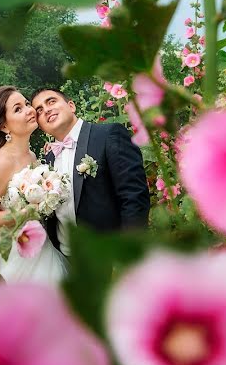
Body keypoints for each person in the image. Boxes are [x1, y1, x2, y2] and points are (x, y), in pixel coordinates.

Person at [31, 88, 150, 257]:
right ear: (41, 125)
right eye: (39, 110)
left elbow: (134, 196)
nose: (46, 110)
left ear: (71, 106)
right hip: (64, 257)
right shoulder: (47, 160)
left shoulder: (108, 135)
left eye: (51, 101)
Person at [0, 86, 68, 284]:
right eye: (18, 109)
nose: (29, 110)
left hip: (39, 246)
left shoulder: (31, 155)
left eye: (26, 104)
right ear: (4, 127)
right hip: (15, 255)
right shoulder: (2, 162)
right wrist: (26, 212)